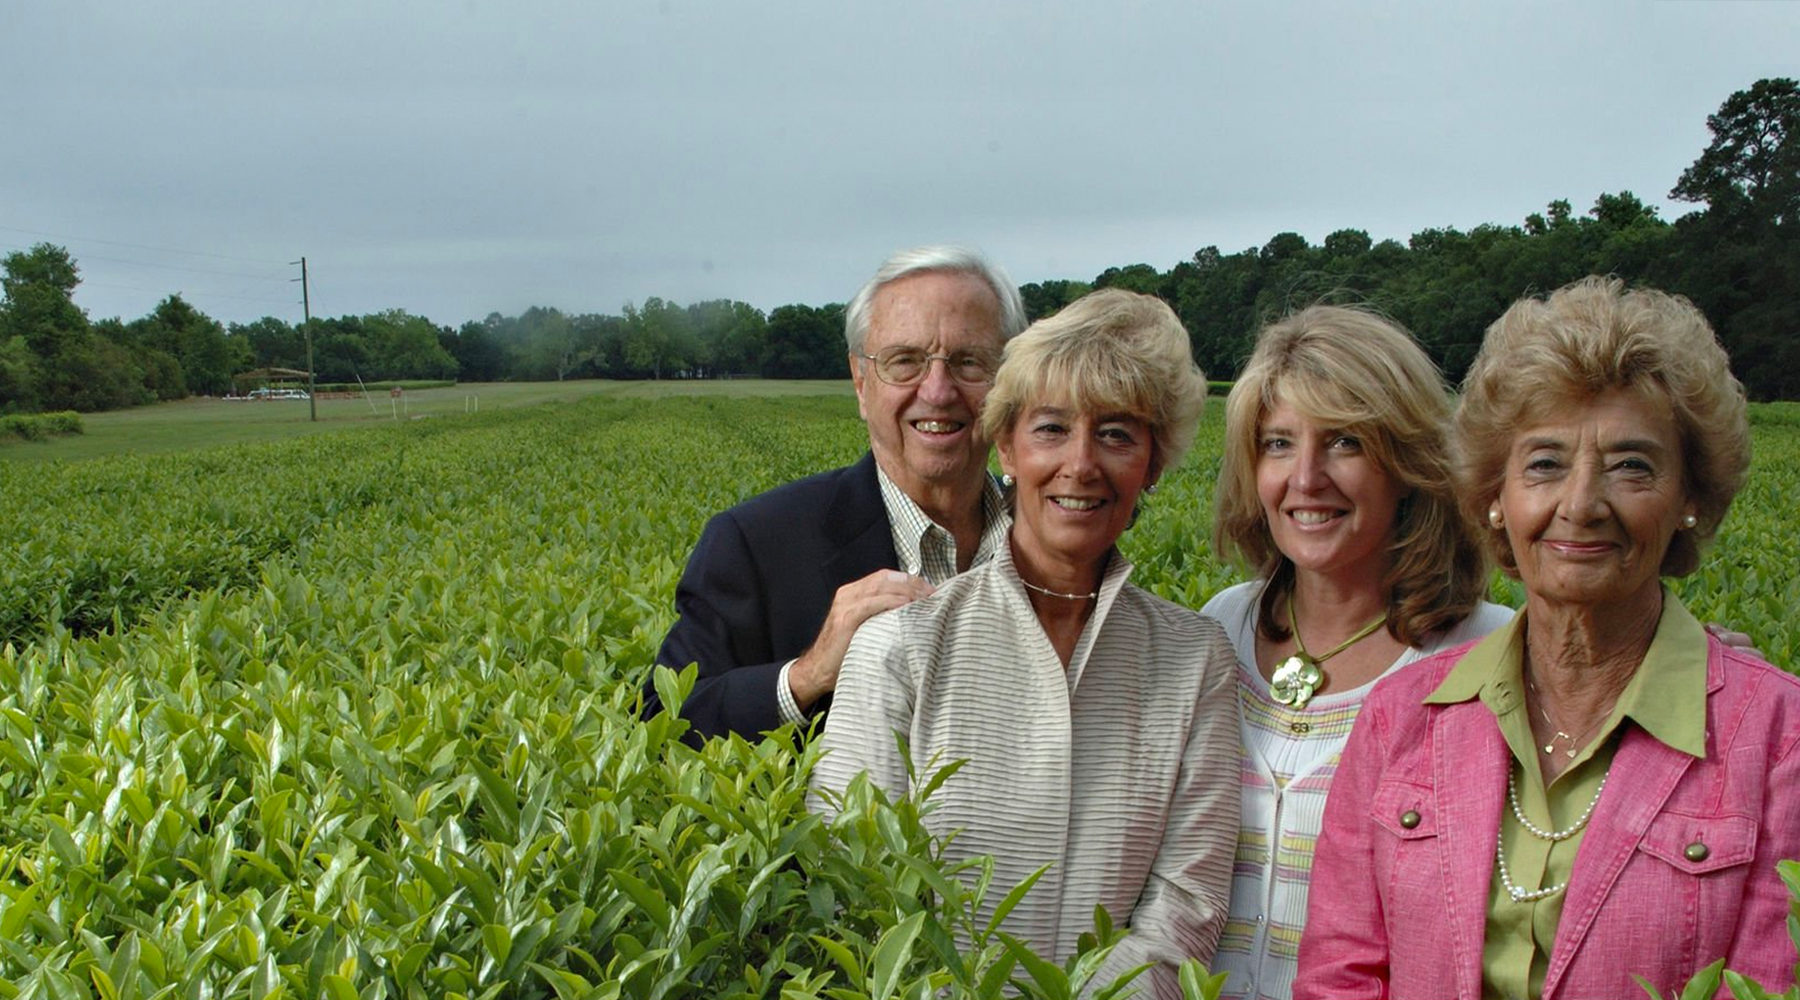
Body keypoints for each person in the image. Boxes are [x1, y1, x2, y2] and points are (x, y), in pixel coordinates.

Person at [1296, 277, 1800, 999]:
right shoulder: (1400, 715)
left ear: (1691, 498)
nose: (1581, 503)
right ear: (1496, 498)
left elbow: (1771, 983)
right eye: (1544, 464)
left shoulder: (1783, 741)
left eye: (1632, 465)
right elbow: (1339, 975)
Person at [812, 289, 1239, 997]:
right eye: (1051, 429)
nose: (1080, 463)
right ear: (1005, 445)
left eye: (1117, 434)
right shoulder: (902, 647)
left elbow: (1183, 912)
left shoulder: (1195, 660)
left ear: (1153, 465)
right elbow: (853, 890)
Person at [1202, 305, 1515, 1000]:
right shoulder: (1218, 627)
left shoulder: (1488, 655)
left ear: (1407, 464)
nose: (1306, 477)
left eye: (1344, 442)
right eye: (1278, 444)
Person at [646, 245, 1027, 741]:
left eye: (969, 362)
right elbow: (660, 725)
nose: (937, 390)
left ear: (1010, 381)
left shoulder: (1053, 534)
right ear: (861, 382)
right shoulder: (755, 543)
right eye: (904, 361)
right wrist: (808, 676)